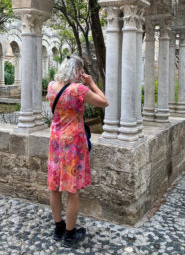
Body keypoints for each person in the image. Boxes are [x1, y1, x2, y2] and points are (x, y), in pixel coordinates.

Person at [46, 55, 108, 247]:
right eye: (81, 71)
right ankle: (70, 234)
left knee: (55, 186)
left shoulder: (51, 86)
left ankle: (59, 228)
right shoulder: (79, 90)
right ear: (78, 71)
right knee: (72, 190)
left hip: (55, 142)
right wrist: (91, 82)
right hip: (73, 144)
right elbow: (104, 102)